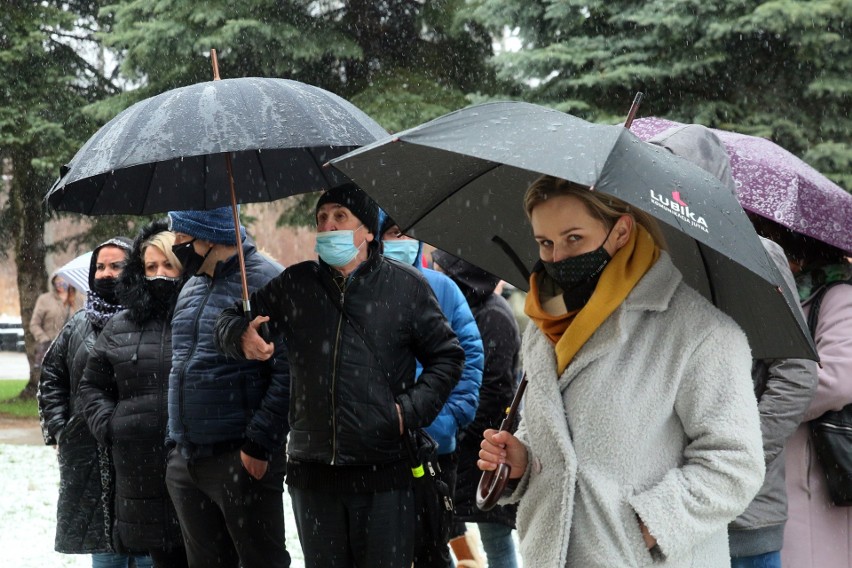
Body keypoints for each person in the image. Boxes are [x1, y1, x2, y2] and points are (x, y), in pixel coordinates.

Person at [477, 175, 765, 567]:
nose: (557, 257)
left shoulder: (699, 332)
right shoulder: (546, 325)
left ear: (621, 231)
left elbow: (735, 463)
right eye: (546, 243)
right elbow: (562, 433)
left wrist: (648, 526)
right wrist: (524, 460)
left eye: (573, 238)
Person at [214, 183, 465, 568]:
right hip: (313, 477)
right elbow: (230, 319)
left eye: (339, 216)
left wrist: (405, 412)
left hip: (384, 475)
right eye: (321, 218)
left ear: (367, 231)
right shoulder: (296, 286)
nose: (328, 226)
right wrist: (239, 334)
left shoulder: (406, 287)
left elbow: (447, 358)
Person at [645, 122, 820, 568]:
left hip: (746, 514)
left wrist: (735, 458)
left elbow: (796, 368)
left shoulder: (757, 254)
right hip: (664, 501)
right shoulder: (647, 258)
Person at [164, 205, 291, 568]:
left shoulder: (268, 281)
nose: (175, 245)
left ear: (208, 237)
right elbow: (182, 366)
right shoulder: (191, 286)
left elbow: (289, 375)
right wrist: (174, 446)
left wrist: (258, 446)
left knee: (260, 560)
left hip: (240, 460)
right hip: (188, 460)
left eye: (182, 237)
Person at [37, 237, 154, 568]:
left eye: (116, 266)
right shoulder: (77, 324)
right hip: (90, 457)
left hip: (142, 456)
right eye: (100, 267)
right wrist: (62, 431)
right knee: (105, 553)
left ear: (134, 270)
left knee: (147, 551)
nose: (107, 274)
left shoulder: (153, 321)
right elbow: (51, 379)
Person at [79, 221, 187, 567]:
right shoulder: (120, 325)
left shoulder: (200, 315)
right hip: (139, 469)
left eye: (168, 265)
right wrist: (111, 426)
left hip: (194, 465)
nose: (159, 274)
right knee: (159, 554)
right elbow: (92, 385)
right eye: (150, 267)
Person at [380, 215, 484, 568]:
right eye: (393, 233)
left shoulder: (443, 288)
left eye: (408, 232)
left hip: (435, 447)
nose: (402, 239)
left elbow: (469, 354)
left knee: (432, 549)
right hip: (382, 448)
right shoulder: (364, 289)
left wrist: (450, 417)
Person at [749, 221, 852, 568]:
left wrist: (771, 397)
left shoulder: (837, 295)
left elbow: (840, 379)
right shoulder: (776, 292)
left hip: (813, 468)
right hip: (778, 466)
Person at [431, 250, 521, 568]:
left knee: (494, 536)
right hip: (455, 441)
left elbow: (494, 392)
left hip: (485, 447)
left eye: (440, 266)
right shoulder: (449, 309)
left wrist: (455, 427)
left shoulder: (494, 316)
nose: (434, 271)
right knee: (445, 531)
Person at [30, 273, 79, 372]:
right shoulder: (44, 299)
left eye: (64, 280)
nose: (61, 283)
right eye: (57, 281)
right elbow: (34, 324)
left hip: (72, 349)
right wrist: (44, 339)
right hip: (51, 349)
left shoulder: (78, 299)